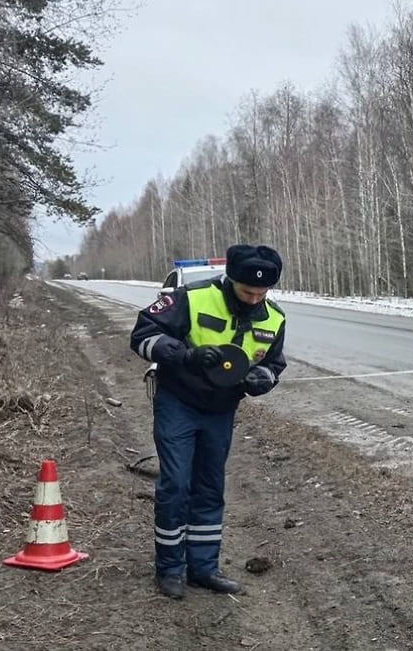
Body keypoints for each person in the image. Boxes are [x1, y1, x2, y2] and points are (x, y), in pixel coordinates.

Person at [130, 244, 287, 598]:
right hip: (178, 402)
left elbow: (274, 365)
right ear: (231, 279)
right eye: (248, 291)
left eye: (261, 293)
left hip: (221, 410)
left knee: (209, 488)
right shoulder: (190, 298)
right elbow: (141, 337)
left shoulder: (274, 318)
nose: (253, 298)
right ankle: (170, 568)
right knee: (175, 485)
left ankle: (203, 567)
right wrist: (186, 356)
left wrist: (263, 379)